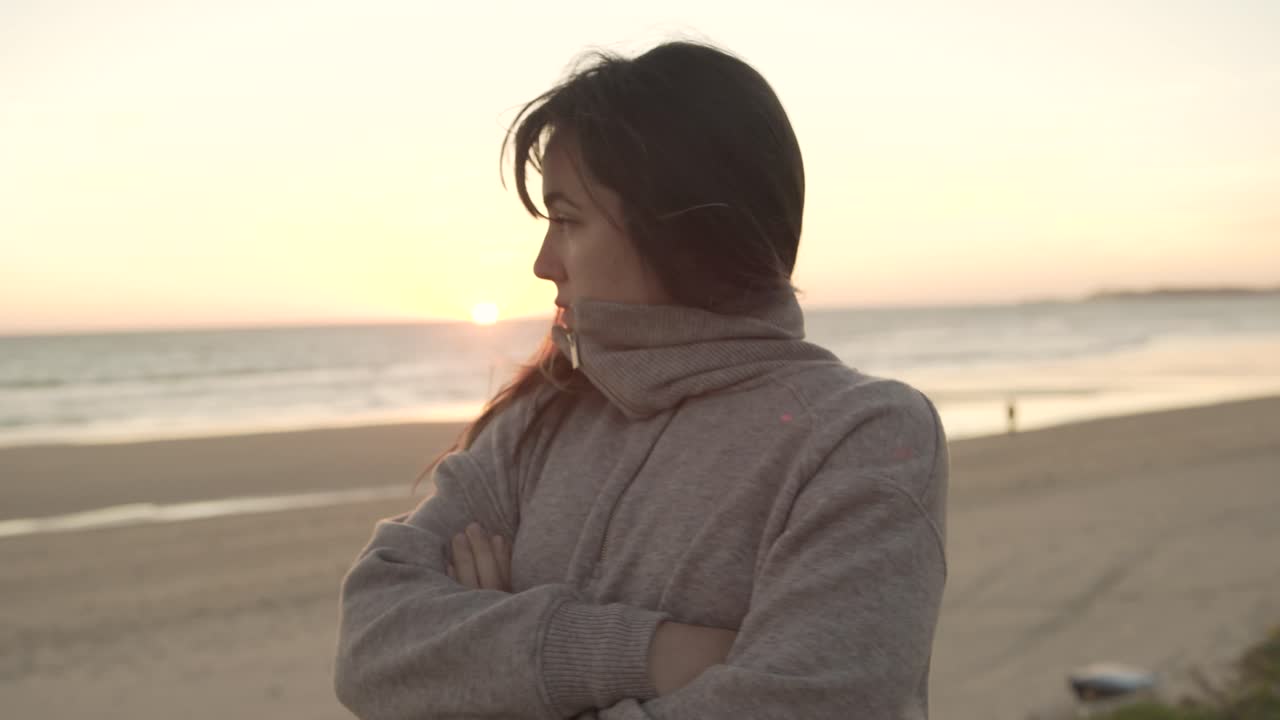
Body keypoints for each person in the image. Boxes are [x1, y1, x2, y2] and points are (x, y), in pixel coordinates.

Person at [334, 39, 948, 719]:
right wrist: (646, 653)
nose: (543, 263)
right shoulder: (544, 415)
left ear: (679, 230)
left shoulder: (858, 436)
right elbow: (371, 641)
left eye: (567, 220)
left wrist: (492, 665)